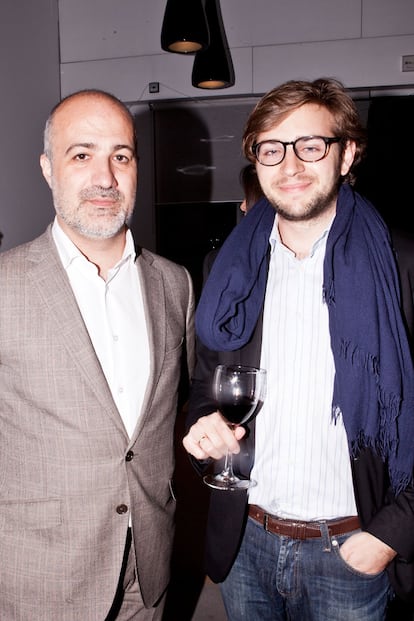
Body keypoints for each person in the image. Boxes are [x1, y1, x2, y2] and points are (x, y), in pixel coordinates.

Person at [183, 77, 414, 621]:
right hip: (246, 542)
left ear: (347, 153)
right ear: (255, 161)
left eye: (311, 145)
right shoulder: (229, 270)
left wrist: (393, 530)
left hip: (350, 549)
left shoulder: (402, 267)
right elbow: (205, 387)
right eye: (271, 149)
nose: (290, 165)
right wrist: (202, 428)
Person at [0, 89, 195, 621]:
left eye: (121, 156)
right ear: (47, 169)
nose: (105, 177)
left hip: (147, 571)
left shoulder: (174, 284)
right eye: (81, 154)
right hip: (39, 578)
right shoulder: (4, 285)